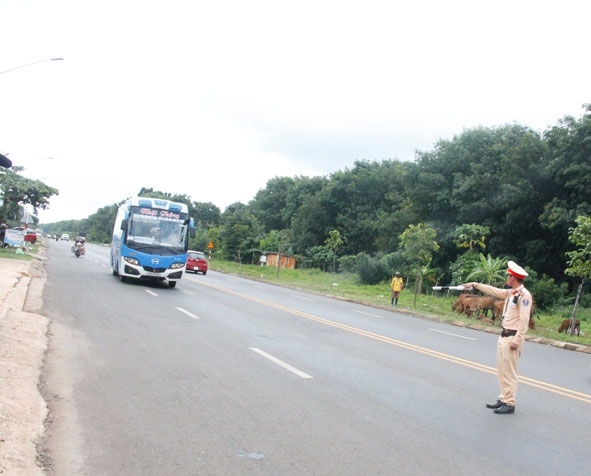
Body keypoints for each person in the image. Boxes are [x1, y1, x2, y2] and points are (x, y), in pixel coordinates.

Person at [462, 260, 533, 415]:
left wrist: (517, 340)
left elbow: (524, 321)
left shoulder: (524, 296)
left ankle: (510, 403)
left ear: (513, 278)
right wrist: (475, 284)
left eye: (508, 276)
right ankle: (503, 398)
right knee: (502, 371)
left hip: (512, 338)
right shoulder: (511, 293)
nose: (506, 279)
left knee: (510, 372)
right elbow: (493, 291)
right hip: (503, 335)